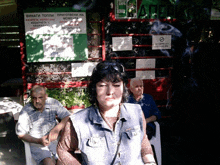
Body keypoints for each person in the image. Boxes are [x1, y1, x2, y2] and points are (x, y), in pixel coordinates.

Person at [57, 60, 156, 165]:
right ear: (94, 89)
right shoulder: (78, 121)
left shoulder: (136, 112)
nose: (110, 92)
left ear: (124, 88)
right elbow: (63, 149)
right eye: (103, 85)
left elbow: (143, 140)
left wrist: (150, 162)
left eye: (116, 85)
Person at [16, 85, 70, 165]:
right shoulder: (26, 110)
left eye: (40, 97)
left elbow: (67, 116)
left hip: (54, 141)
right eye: (34, 98)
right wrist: (38, 141)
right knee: (48, 162)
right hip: (36, 142)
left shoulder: (52, 103)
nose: (37, 101)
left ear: (46, 97)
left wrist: (57, 129)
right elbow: (20, 134)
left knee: (63, 161)